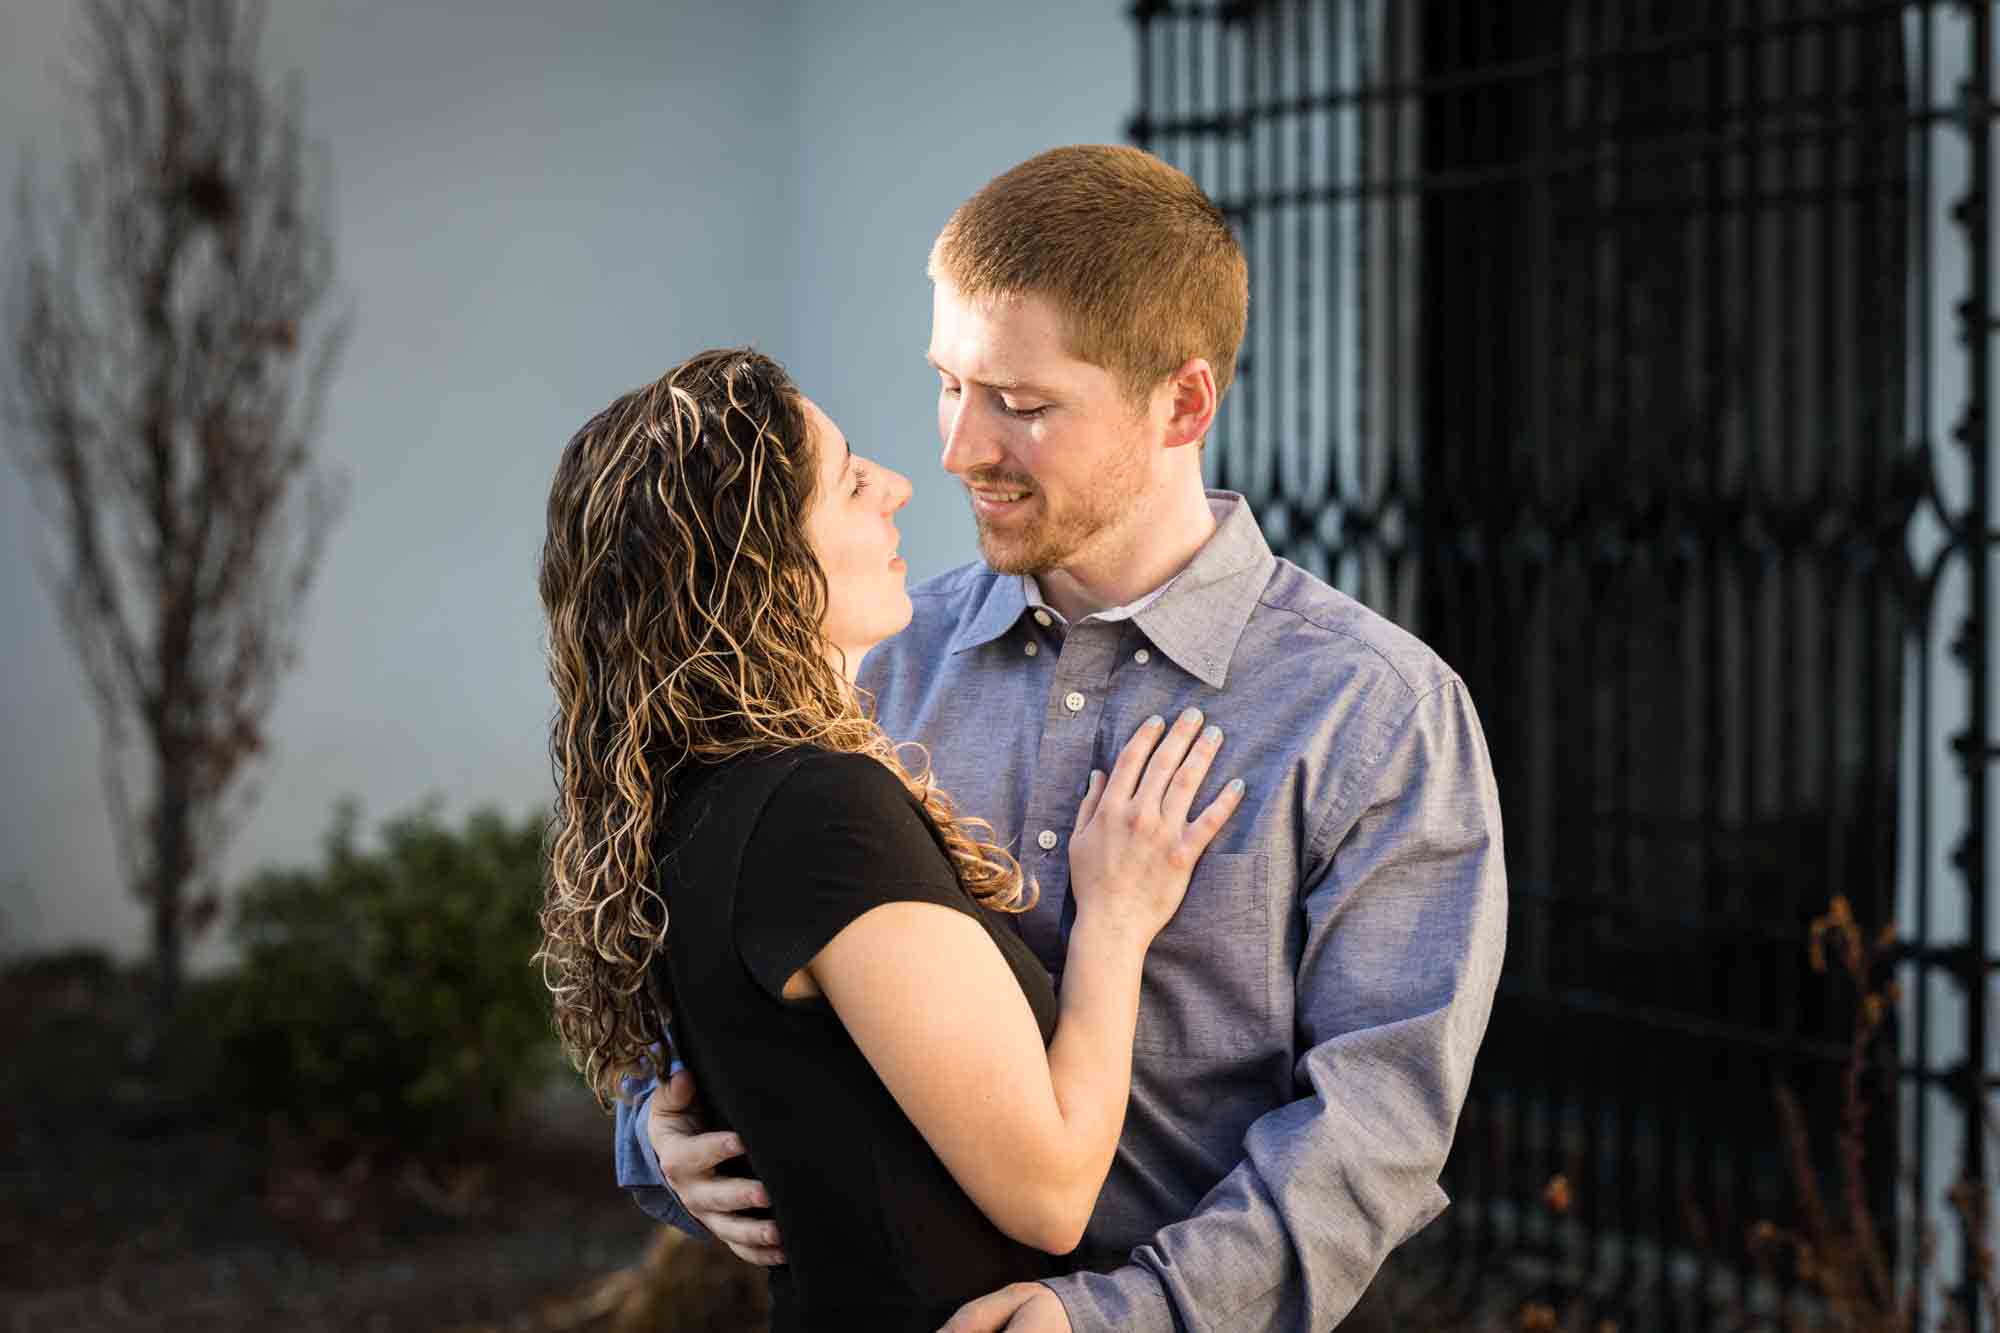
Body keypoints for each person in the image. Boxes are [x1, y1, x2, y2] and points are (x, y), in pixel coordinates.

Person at [619, 145, 1509, 1331]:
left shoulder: (1376, 714)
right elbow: (715, 960)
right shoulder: (871, 654)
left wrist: (1128, 1317)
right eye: (951, 383)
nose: (957, 449)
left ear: (1182, 403)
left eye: (1022, 407)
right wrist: (656, 1135)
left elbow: (1378, 1124)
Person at [537, 346, 1246, 1331]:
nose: (899, 485)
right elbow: (1047, 1192)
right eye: (846, 479)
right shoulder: (817, 814)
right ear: (764, 572)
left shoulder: (696, 795)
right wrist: (1117, 921)